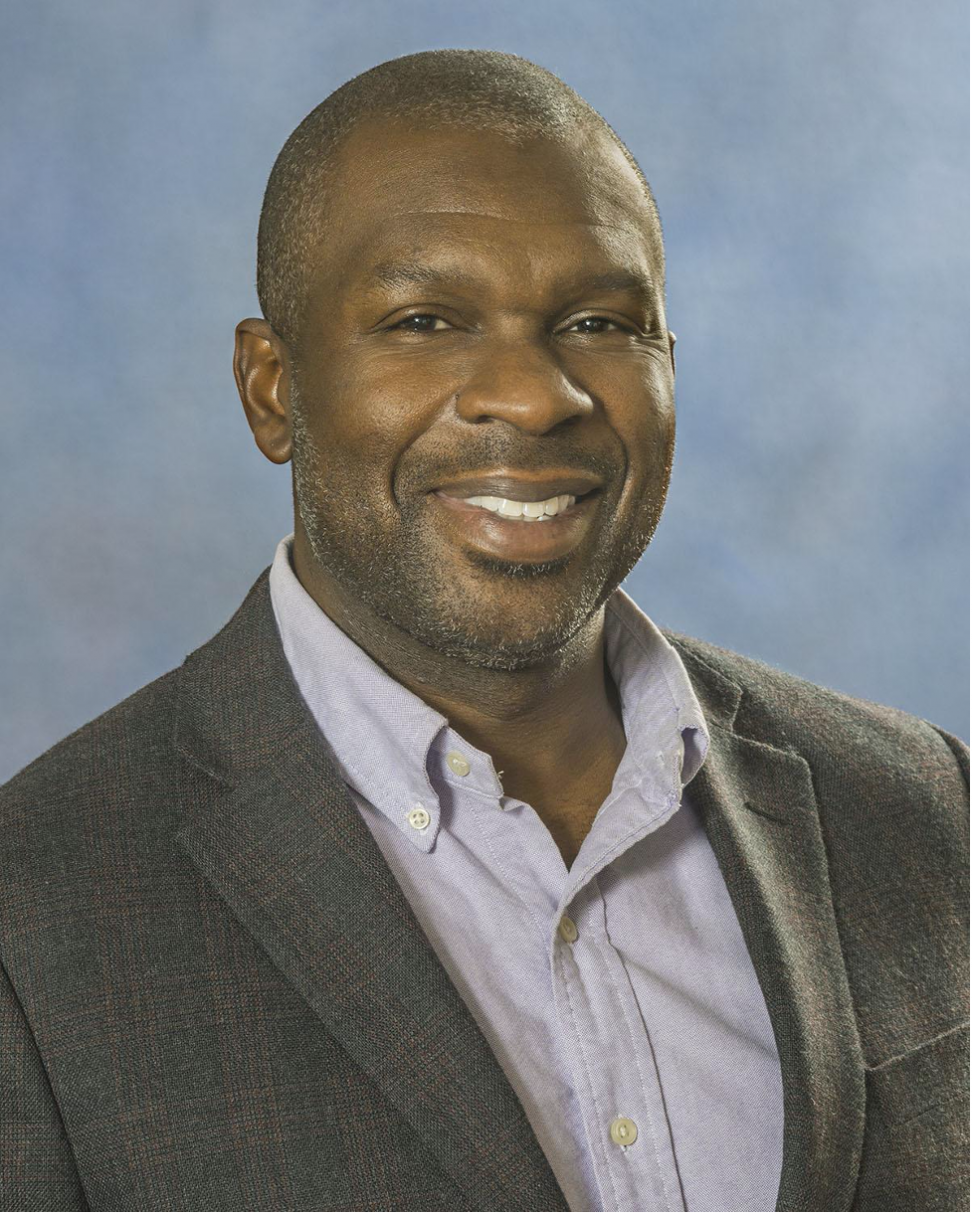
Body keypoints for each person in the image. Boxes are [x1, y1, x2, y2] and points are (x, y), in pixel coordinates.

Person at [1, 49, 968, 1213]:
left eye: (598, 320)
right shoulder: (35, 920)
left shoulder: (926, 807)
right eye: (425, 320)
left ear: (669, 362)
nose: (534, 393)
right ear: (272, 388)